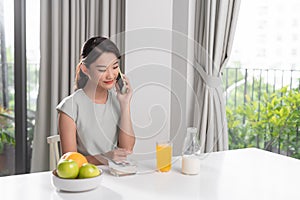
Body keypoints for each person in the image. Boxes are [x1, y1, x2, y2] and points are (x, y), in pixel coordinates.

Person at [56, 36, 135, 165]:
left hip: (117, 176)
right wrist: (105, 157)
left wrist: (125, 104)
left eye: (114, 67)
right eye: (102, 69)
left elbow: (127, 149)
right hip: (85, 180)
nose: (110, 75)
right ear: (85, 69)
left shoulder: (118, 101)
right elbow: (70, 162)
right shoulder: (70, 107)